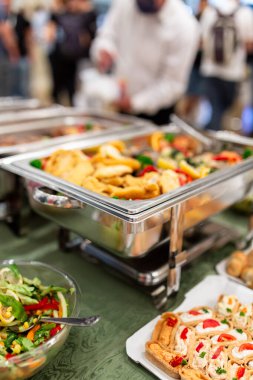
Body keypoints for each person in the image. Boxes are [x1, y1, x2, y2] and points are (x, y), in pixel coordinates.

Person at [91, 0, 200, 125]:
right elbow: (106, 35)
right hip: (118, 101)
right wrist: (103, 50)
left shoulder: (184, 25)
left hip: (155, 114)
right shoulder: (124, 4)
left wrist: (135, 103)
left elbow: (172, 84)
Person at [200, 0, 253, 131]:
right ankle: (218, 138)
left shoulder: (209, 12)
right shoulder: (245, 13)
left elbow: (202, 41)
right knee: (226, 111)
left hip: (210, 70)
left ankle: (211, 133)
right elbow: (250, 44)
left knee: (214, 109)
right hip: (233, 72)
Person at [46, 0, 97, 105]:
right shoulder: (58, 14)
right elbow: (50, 34)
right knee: (57, 88)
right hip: (59, 57)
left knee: (73, 90)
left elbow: (92, 31)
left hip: (75, 59)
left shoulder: (85, 15)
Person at [0, 0, 19, 97]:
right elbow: (5, 32)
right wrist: (14, 52)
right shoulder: (2, 10)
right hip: (2, 54)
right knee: (4, 89)